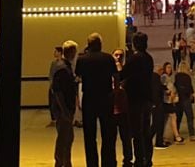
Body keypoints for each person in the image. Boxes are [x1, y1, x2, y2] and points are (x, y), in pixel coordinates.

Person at [75, 32, 118, 167]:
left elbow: (78, 75)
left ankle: (92, 163)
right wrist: (115, 92)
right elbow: (116, 76)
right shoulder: (108, 58)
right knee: (108, 134)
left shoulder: (82, 59)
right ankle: (108, 162)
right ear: (100, 44)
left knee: (89, 136)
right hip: (106, 97)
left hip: (89, 98)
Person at [121, 31, 154, 167]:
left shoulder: (134, 59)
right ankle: (148, 158)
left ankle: (139, 159)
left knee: (136, 131)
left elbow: (123, 74)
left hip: (134, 98)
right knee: (146, 130)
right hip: (146, 97)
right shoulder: (148, 58)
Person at [53, 40, 79, 167]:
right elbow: (58, 91)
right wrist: (64, 110)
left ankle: (65, 162)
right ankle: (62, 162)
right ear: (72, 52)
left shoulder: (62, 66)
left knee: (67, 137)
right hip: (64, 110)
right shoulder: (64, 69)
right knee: (65, 138)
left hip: (65, 109)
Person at [173, 60, 195, 142]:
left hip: (179, 99)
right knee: (190, 117)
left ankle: (176, 134)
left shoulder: (176, 76)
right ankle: (192, 134)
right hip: (186, 99)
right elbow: (189, 88)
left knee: (178, 117)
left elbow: (175, 86)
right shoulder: (187, 77)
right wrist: (192, 95)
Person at [49, 46, 65, 126]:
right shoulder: (53, 63)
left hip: (60, 86)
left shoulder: (63, 63)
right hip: (53, 85)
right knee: (52, 103)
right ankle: (54, 119)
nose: (54, 53)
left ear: (59, 52)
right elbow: (51, 74)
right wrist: (51, 84)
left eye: (55, 51)